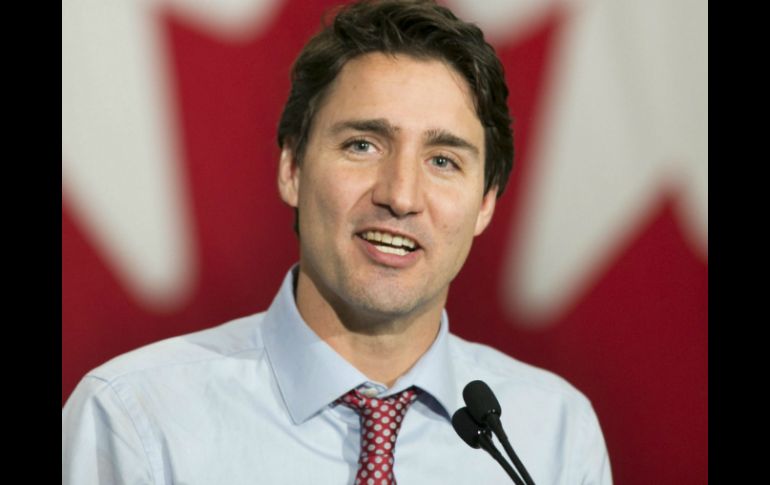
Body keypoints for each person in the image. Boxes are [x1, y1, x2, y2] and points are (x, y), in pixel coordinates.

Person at [62, 1, 612, 483]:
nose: (400, 195)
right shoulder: (137, 419)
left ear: (485, 203)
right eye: (362, 145)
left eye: (443, 160)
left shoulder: (553, 434)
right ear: (292, 168)